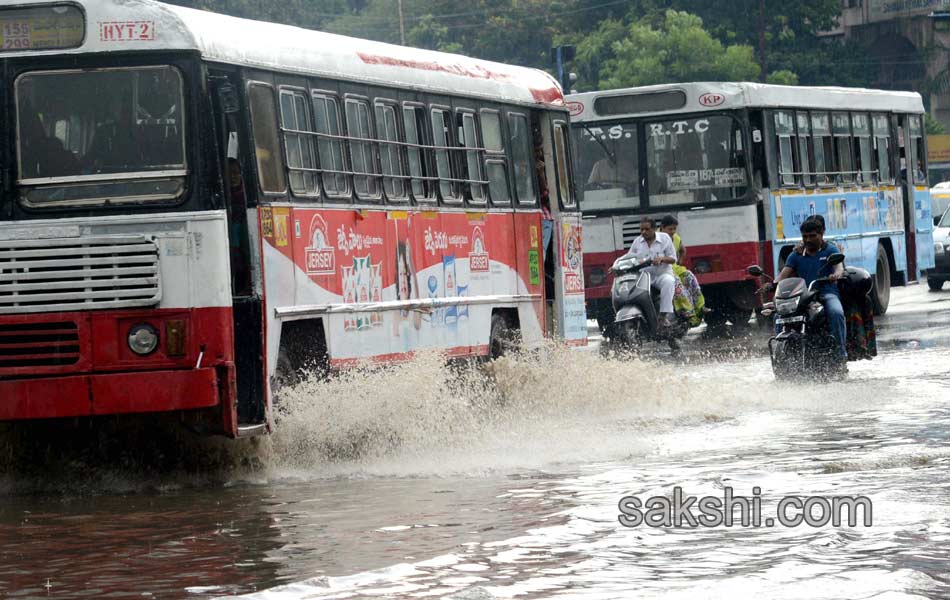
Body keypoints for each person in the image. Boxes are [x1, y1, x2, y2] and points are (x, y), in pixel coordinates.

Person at [770, 216, 848, 370]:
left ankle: (840, 356)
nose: (808, 240)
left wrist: (836, 274)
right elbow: (782, 275)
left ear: (821, 235)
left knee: (836, 312)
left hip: (826, 293)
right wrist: (771, 284)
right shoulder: (796, 254)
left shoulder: (830, 250)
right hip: (803, 296)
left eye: (813, 236)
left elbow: (839, 267)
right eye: (805, 236)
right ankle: (781, 352)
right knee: (778, 316)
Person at [623, 216, 678, 328]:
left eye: (647, 229)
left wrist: (662, 259)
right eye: (642, 229)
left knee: (669, 282)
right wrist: (616, 265)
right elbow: (629, 257)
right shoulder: (637, 242)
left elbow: (673, 258)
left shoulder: (665, 238)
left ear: (654, 229)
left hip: (661, 275)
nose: (644, 232)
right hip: (643, 277)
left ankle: (663, 317)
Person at [660, 214, 706, 327]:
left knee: (689, 276)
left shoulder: (676, 237)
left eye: (674, 229)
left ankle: (700, 307)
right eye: (670, 229)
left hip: (675, 267)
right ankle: (685, 310)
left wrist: (680, 261)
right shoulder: (655, 238)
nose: (672, 231)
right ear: (662, 228)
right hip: (663, 270)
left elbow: (682, 250)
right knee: (676, 282)